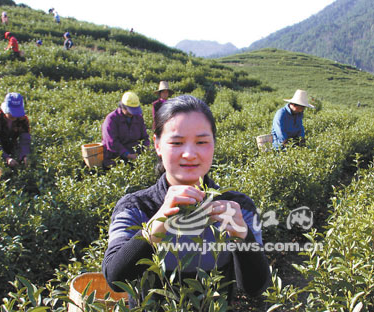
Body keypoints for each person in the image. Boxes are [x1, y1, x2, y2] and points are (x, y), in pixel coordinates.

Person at [102, 95, 270, 308]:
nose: (190, 154)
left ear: (214, 144)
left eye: (201, 142)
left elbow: (255, 287)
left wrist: (241, 236)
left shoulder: (239, 208)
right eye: (177, 142)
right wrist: (156, 225)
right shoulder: (136, 207)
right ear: (157, 145)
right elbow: (115, 279)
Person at [101, 91, 150, 168]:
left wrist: (145, 150)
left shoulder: (138, 117)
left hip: (134, 153)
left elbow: (145, 137)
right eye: (130, 110)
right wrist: (127, 155)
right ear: (122, 107)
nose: (132, 114)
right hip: (116, 156)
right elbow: (112, 143)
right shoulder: (111, 119)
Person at [0, 92, 31, 168]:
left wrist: (24, 155)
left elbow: (25, 139)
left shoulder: (23, 120)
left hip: (11, 145)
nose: (14, 116)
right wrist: (6, 158)